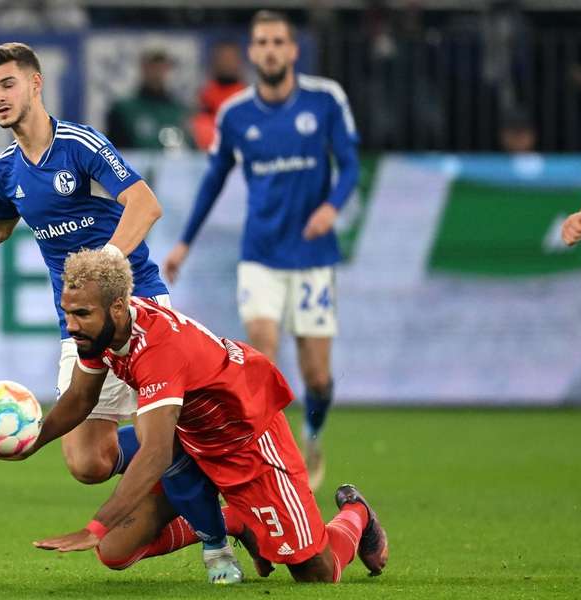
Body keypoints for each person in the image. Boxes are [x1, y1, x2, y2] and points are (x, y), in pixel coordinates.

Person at [0, 42, 240, 584]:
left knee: (157, 435)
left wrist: (107, 267)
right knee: (88, 462)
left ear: (36, 84)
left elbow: (145, 203)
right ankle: (186, 446)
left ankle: (216, 547)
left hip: (138, 311)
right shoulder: (7, 171)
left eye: (8, 85)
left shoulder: (80, 146)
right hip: (83, 329)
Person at [0, 248, 388, 584]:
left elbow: (156, 454)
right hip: (194, 437)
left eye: (80, 314)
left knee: (315, 571)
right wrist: (31, 442)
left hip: (247, 439)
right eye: (68, 313)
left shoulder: (159, 349)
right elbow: (80, 398)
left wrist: (93, 526)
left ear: (117, 306)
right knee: (114, 552)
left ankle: (357, 514)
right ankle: (232, 519)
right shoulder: (100, 330)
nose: (72, 325)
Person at [162, 10, 360, 490]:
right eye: (262, 42)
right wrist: (184, 243)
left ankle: (312, 433)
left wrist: (333, 206)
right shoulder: (236, 115)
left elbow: (350, 163)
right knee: (262, 355)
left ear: (292, 51)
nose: (270, 50)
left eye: (278, 42)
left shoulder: (326, 99)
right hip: (260, 257)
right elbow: (213, 182)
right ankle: (271, 458)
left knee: (316, 376)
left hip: (313, 259)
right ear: (252, 53)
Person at [105, 48, 191, 150]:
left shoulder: (179, 110)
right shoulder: (124, 109)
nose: (157, 72)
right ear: (143, 68)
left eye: (162, 66)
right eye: (152, 66)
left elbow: (190, 151)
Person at [190, 40, 247, 151]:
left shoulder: (247, 96)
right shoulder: (203, 96)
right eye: (222, 58)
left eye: (230, 58)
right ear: (214, 62)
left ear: (239, 62)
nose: (226, 63)